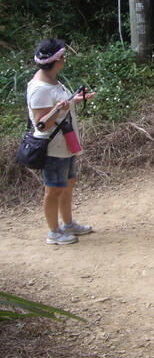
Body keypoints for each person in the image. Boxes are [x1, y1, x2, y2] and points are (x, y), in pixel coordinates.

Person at [27, 38, 96, 245]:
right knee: (53, 189)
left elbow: (57, 104)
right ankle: (53, 232)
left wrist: (73, 100)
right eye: (63, 57)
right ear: (55, 61)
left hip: (65, 143)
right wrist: (59, 108)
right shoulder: (40, 88)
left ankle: (68, 224)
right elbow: (41, 124)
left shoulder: (52, 80)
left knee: (67, 185)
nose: (64, 60)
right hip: (52, 147)